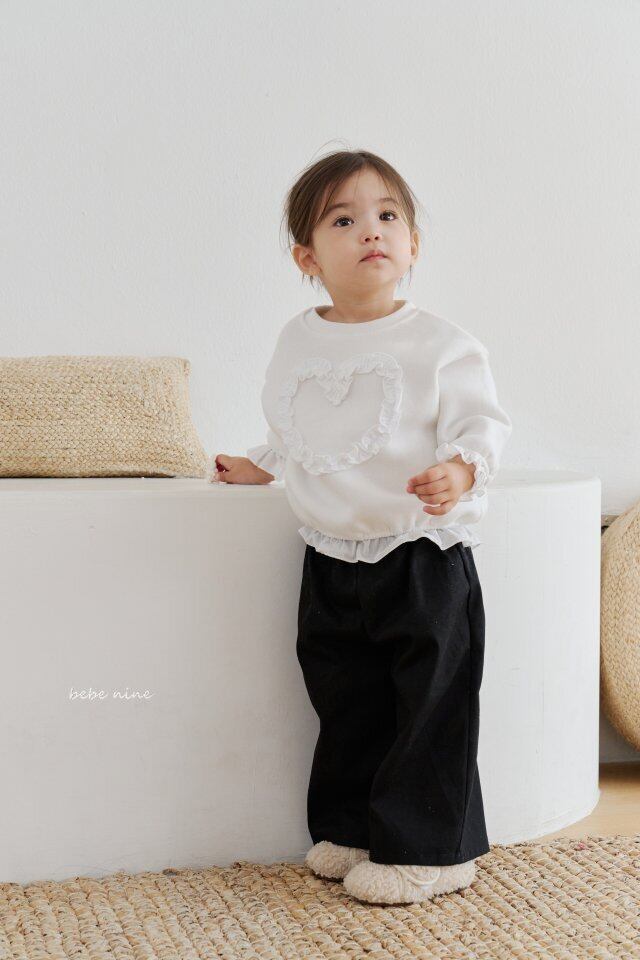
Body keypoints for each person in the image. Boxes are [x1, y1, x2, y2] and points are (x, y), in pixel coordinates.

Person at [209, 149, 512, 905]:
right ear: (307, 257)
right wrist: (261, 465)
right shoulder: (298, 340)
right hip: (331, 557)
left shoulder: (440, 343)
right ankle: (353, 826)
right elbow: (298, 426)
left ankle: (432, 848)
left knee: (430, 703)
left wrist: (461, 471)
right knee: (345, 698)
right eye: (343, 220)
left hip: (420, 553)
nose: (371, 230)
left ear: (413, 243)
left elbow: (482, 424)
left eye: (387, 215)